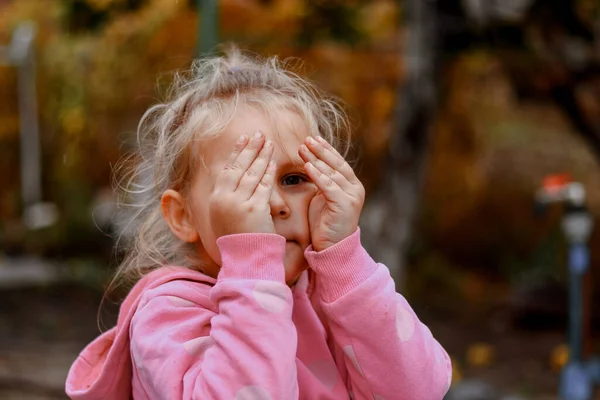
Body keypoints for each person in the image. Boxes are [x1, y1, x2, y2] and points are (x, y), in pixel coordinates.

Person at [65, 48, 452, 400]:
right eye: (245, 181)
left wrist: (346, 262)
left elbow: (420, 391)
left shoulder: (333, 296)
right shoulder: (169, 312)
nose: (275, 203)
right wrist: (254, 269)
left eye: (294, 179)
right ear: (183, 216)